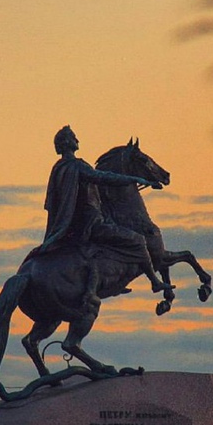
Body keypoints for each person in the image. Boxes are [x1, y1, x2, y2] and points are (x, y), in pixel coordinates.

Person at [39, 125, 174, 296]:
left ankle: (114, 281)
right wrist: (134, 179)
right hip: (92, 223)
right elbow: (104, 177)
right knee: (139, 241)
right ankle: (155, 282)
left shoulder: (58, 168)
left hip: (75, 226)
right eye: (74, 137)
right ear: (67, 143)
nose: (77, 140)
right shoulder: (76, 166)